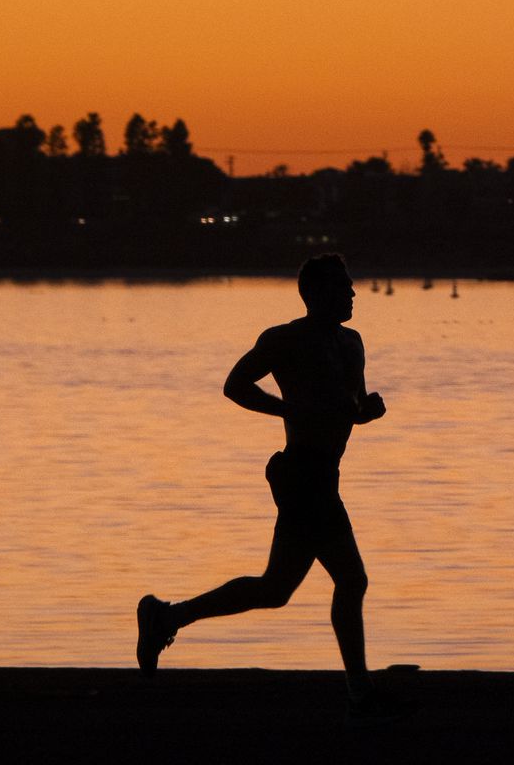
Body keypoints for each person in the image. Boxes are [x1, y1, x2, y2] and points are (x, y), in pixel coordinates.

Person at [136, 254, 406, 718]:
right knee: (351, 578)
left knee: (275, 589)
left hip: (325, 474)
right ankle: (360, 693)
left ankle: (167, 616)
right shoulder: (285, 340)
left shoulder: (352, 342)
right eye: (343, 287)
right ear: (315, 294)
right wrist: (287, 411)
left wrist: (368, 412)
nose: (353, 293)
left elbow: (351, 405)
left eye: (351, 285)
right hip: (301, 474)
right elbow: (235, 385)